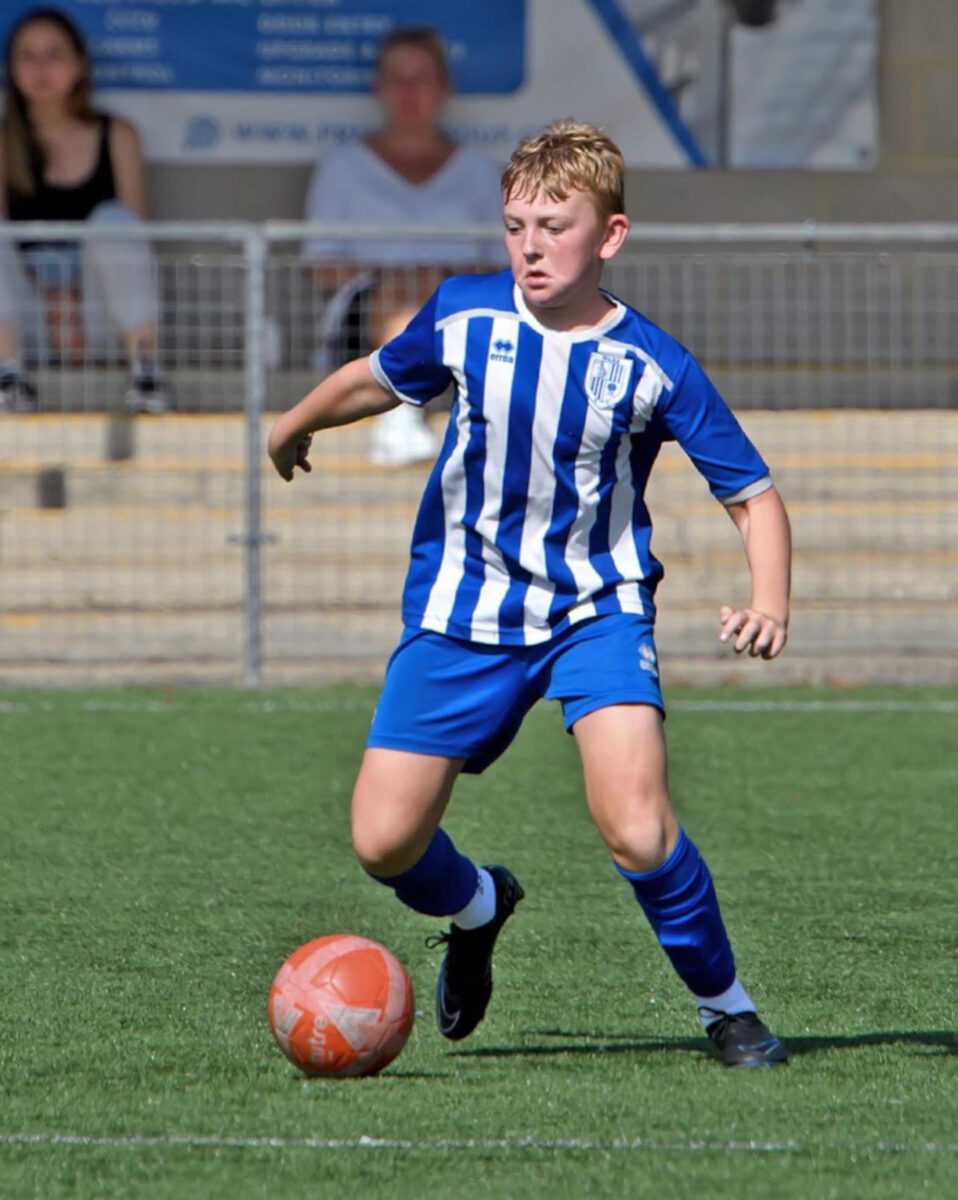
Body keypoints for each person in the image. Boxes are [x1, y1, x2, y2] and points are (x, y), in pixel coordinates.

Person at [269, 120, 793, 1068]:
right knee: (383, 842)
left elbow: (752, 495)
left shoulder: (652, 363)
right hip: (463, 609)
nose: (531, 246)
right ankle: (478, 905)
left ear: (611, 235)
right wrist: (294, 423)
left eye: (555, 225)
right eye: (516, 226)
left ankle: (728, 1008)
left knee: (637, 826)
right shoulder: (464, 314)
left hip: (597, 610)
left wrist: (770, 601)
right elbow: (377, 380)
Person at [302, 26, 502, 465]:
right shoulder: (343, 167)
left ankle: (402, 414)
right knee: (402, 295)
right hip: (365, 321)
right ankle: (400, 414)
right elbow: (320, 265)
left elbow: (504, 266)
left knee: (429, 292)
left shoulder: (479, 171)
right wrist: (391, 276)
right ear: (379, 87)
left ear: (444, 87)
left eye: (422, 79)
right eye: (398, 79)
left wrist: (442, 278)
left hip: (458, 317)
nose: (409, 92)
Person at [0, 7, 169, 413]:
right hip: (28, 326)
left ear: (79, 65)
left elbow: (136, 244)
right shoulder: (4, 142)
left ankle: (146, 375)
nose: (40, 68)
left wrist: (74, 301)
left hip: (102, 320)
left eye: (53, 54)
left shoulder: (117, 135)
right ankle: (8, 378)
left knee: (114, 220)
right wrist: (54, 302)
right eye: (27, 56)